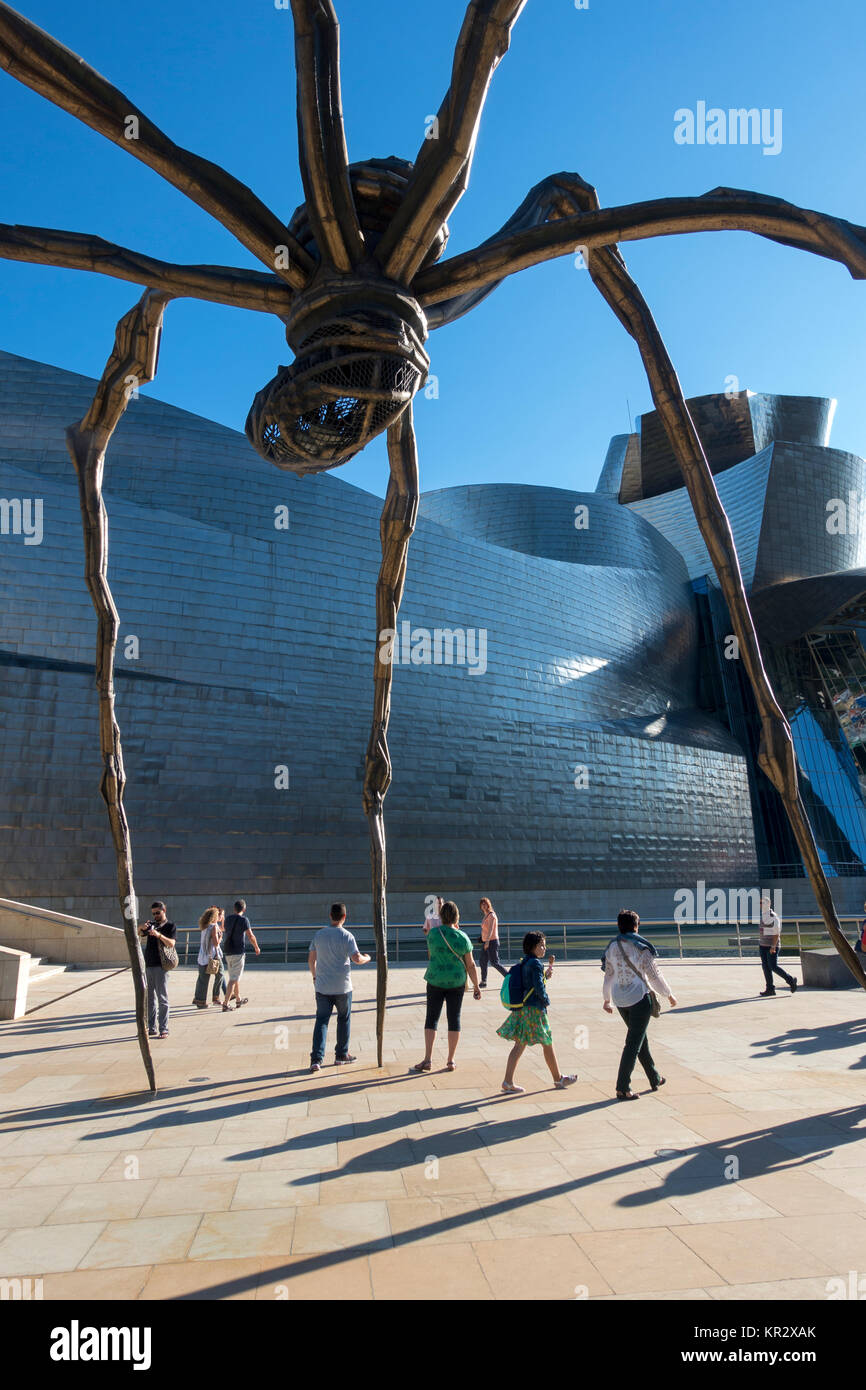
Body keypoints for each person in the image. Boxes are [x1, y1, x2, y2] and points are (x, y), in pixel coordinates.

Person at [602, 909, 676, 1100]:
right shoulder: (641, 947)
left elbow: (608, 974)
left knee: (639, 1038)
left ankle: (655, 1077)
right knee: (633, 1042)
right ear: (636, 926)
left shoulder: (611, 947)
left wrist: (606, 998)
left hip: (619, 1000)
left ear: (619, 926)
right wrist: (668, 994)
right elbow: (654, 975)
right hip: (639, 998)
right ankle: (622, 1087)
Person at [499, 931, 577, 1093]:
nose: (544, 948)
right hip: (535, 1009)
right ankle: (558, 1078)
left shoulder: (526, 962)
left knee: (520, 1045)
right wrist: (546, 1000)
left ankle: (508, 1081)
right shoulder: (536, 964)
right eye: (541, 945)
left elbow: (532, 983)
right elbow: (538, 988)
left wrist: (545, 976)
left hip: (524, 1009)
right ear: (533, 947)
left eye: (544, 945)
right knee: (546, 1042)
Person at [413, 900, 481, 1073]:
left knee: (431, 1018)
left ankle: (427, 1059)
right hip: (456, 982)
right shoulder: (463, 937)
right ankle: (450, 1060)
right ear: (457, 917)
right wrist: (476, 986)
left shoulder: (433, 934)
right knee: (454, 1018)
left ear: (441, 916)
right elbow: (471, 965)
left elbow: (431, 955)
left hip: (435, 980)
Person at [308, 903, 371, 1071]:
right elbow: (356, 959)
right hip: (342, 987)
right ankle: (341, 1055)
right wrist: (367, 958)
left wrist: (315, 977)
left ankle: (316, 1059)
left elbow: (311, 960)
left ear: (330, 915)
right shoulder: (347, 936)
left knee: (321, 1021)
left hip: (322, 986)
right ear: (344, 917)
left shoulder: (319, 934)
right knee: (343, 1019)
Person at [138, 900, 177, 1040]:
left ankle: (164, 1028)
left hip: (162, 966)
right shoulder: (152, 924)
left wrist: (158, 935)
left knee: (162, 998)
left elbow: (172, 943)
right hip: (149, 965)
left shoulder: (170, 926)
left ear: (164, 910)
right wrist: (142, 927)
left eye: (158, 913)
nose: (156, 916)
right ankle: (151, 1027)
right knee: (149, 999)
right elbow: (138, 933)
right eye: (154, 913)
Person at [222, 898, 260, 1010]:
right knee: (233, 979)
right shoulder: (244, 920)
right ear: (244, 909)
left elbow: (225, 930)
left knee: (234, 976)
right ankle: (225, 1003)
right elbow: (251, 936)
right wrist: (256, 947)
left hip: (228, 952)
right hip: (238, 952)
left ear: (234, 908)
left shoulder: (228, 919)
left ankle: (238, 999)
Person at [758, 895, 797, 996]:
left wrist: (773, 946)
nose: (761, 905)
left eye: (763, 903)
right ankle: (770, 989)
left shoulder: (773, 916)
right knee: (766, 967)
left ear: (769, 904)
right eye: (760, 903)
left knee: (773, 966)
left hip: (771, 946)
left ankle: (791, 980)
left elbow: (776, 933)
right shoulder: (763, 915)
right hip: (763, 945)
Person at [193, 905, 226, 1009]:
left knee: (203, 979)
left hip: (202, 956)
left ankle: (199, 1001)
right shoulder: (214, 927)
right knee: (220, 974)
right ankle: (215, 997)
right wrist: (220, 937)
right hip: (213, 956)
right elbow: (216, 943)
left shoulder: (204, 926)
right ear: (215, 917)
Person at [478, 897, 507, 987]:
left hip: (491, 942)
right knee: (482, 961)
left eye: (485, 904)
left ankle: (509, 976)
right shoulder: (486, 915)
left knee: (494, 962)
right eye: (482, 904)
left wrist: (487, 942)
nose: (483, 906)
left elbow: (491, 929)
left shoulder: (492, 915)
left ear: (488, 904)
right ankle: (483, 981)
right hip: (486, 941)